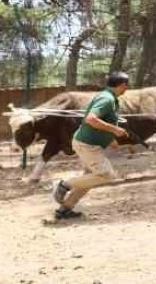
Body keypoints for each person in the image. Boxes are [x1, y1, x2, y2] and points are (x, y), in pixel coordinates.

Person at [51, 72, 129, 220]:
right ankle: (64, 185)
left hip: (88, 143)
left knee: (90, 178)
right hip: (87, 145)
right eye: (126, 86)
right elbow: (91, 119)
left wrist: (110, 138)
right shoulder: (107, 99)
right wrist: (115, 130)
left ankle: (65, 209)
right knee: (106, 175)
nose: (127, 89)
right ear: (123, 85)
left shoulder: (108, 97)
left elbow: (102, 120)